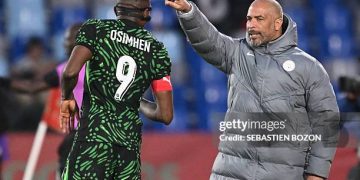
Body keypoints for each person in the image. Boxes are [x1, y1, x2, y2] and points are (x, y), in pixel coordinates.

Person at [166, 0, 339, 180]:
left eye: (259, 19)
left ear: (277, 23)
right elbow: (208, 40)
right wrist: (189, 12)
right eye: (249, 19)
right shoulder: (237, 53)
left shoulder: (309, 68)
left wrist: (316, 173)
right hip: (230, 174)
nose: (251, 25)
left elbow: (326, 121)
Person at [59, 0, 173, 179]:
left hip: (93, 139)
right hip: (128, 149)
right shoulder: (157, 51)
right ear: (146, 14)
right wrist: (137, 101)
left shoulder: (96, 29)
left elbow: (70, 72)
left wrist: (66, 98)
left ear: (116, 10)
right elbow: (165, 115)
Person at [0, 23, 83, 177]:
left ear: (78, 40)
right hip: (102, 133)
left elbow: (31, 87)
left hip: (81, 135)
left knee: (65, 168)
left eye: (67, 39)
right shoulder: (104, 66)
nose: (64, 44)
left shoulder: (66, 69)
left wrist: (4, 81)